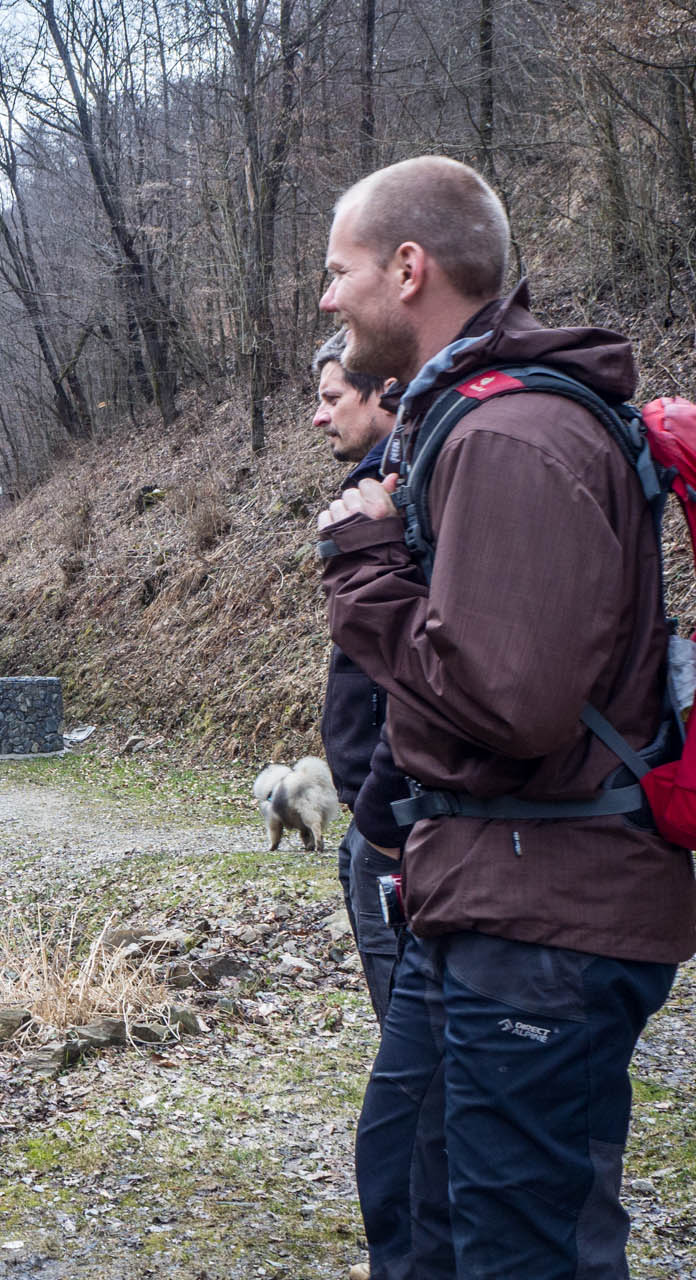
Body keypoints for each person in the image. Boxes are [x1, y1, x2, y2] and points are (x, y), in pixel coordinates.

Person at [315, 154, 696, 1277]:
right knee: (431, 1208)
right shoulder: (473, 423)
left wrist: (360, 564)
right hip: (495, 899)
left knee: (525, 1253)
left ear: (409, 267)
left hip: (547, 919)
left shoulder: (511, 438)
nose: (329, 300)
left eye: (339, 273)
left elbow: (512, 701)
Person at [311, 329, 410, 1023]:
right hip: (378, 811)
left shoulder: (399, 489)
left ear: (384, 394)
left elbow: (413, 666)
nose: (320, 416)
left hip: (396, 815)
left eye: (332, 397)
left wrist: (380, 818)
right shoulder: (375, 485)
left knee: (413, 1029)